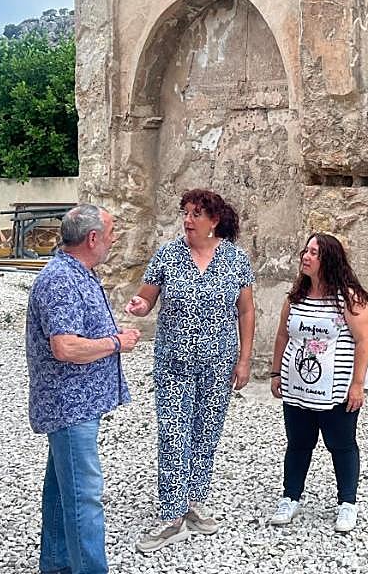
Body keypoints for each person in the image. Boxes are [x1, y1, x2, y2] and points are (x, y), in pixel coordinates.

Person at [125, 189, 255, 553]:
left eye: (196, 214)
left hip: (219, 363)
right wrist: (140, 304)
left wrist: (244, 360)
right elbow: (147, 296)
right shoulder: (168, 255)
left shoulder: (235, 260)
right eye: (185, 213)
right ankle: (171, 515)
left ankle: (194, 501)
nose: (188, 219)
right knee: (173, 433)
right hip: (173, 363)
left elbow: (245, 311)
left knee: (206, 433)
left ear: (214, 221)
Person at [26, 204, 141, 574]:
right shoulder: (61, 280)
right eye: (110, 234)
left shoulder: (79, 273)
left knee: (61, 492)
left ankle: (57, 565)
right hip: (69, 408)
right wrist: (117, 342)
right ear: (92, 238)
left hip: (76, 406)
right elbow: (66, 346)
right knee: (83, 498)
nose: (113, 240)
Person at [268, 233, 368, 533]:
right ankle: (290, 497)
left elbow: (363, 341)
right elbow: (282, 336)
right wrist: (276, 374)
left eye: (314, 252)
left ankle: (347, 504)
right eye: (306, 250)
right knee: (298, 444)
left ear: (328, 259)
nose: (306, 256)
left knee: (341, 445)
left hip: (336, 391)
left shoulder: (349, 298)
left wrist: (358, 384)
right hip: (297, 388)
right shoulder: (296, 297)